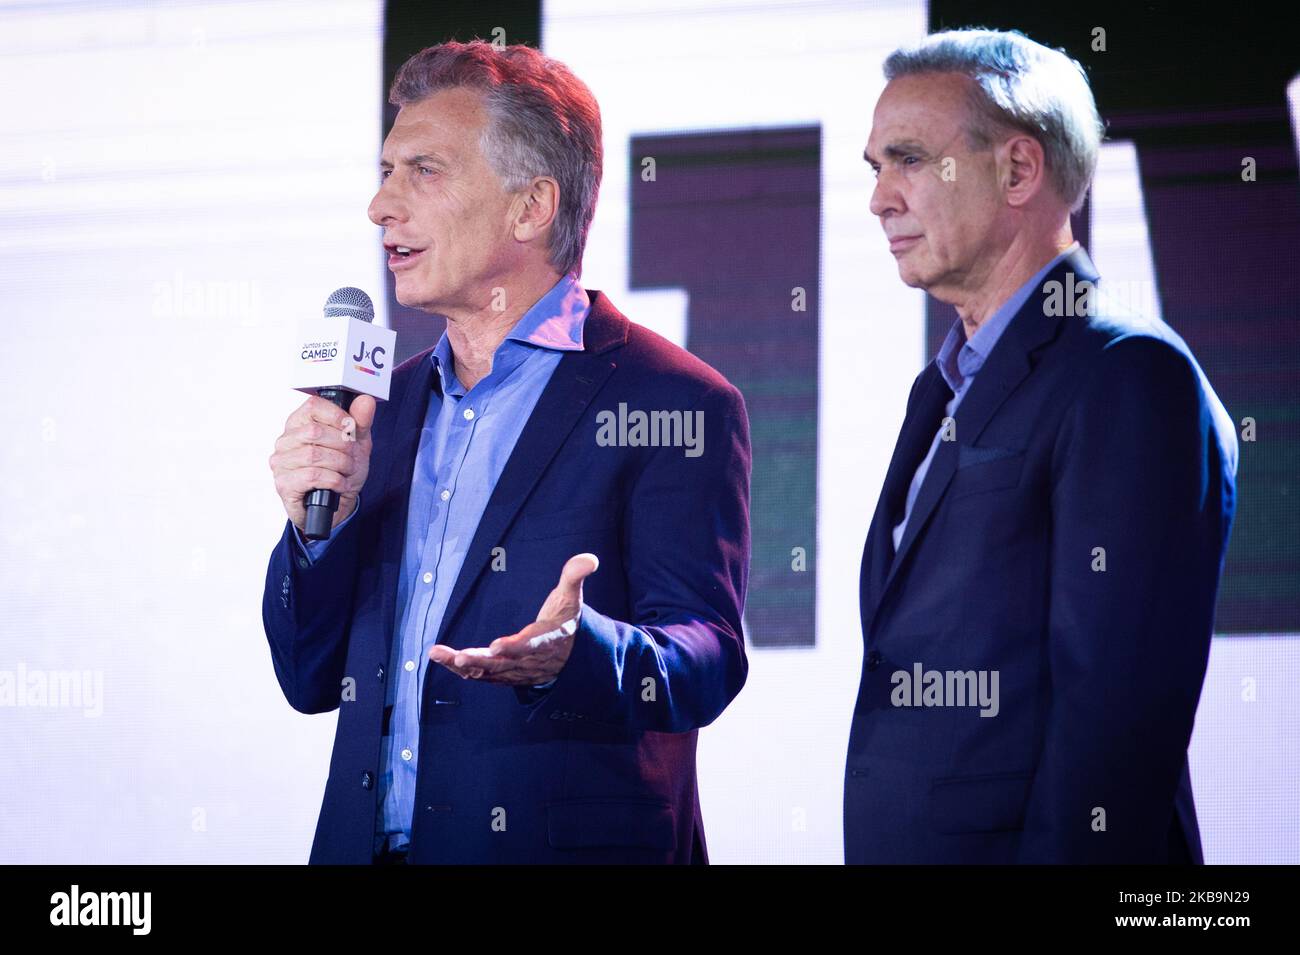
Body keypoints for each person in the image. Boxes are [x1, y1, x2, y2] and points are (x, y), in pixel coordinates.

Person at [263, 40, 751, 864]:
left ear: (530, 208)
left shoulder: (675, 399)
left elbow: (707, 657)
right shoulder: (383, 407)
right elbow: (311, 681)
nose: (380, 205)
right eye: (386, 170)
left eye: (423, 170)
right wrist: (318, 532)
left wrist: (583, 650)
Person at [845, 28, 1237, 863]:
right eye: (875, 167)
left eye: (908, 160)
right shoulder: (942, 386)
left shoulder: (1128, 375)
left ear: (1018, 170)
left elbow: (1116, 726)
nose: (880, 199)